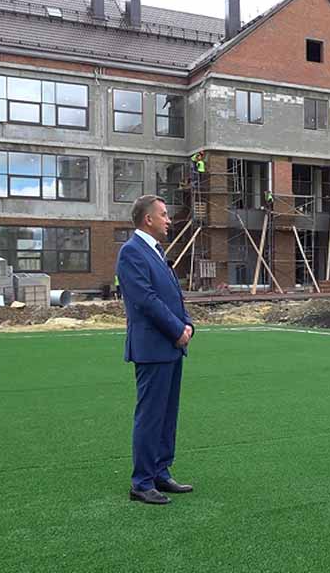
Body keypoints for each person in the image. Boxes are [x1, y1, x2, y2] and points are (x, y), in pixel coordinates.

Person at [116, 195, 195, 505]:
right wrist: (177, 330)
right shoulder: (131, 252)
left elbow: (173, 295)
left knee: (166, 415)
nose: (169, 220)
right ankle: (142, 482)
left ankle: (161, 472)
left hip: (172, 346)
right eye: (164, 214)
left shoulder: (157, 252)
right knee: (150, 416)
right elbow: (145, 300)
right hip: (153, 347)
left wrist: (187, 325)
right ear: (148, 219)